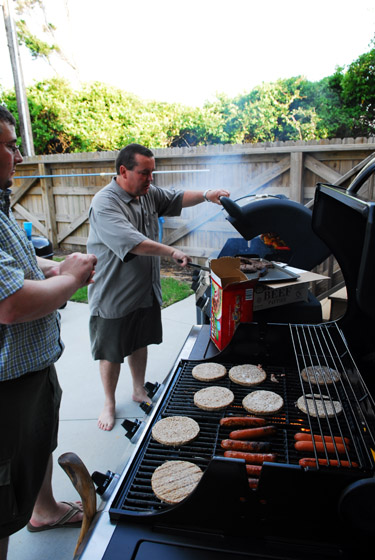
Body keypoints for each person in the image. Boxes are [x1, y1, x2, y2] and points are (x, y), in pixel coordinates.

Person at [0, 106, 97, 560]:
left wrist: (55, 268)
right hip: (5, 387)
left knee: (42, 439)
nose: (18, 155)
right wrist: (71, 281)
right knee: (0, 498)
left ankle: (43, 510)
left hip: (32, 365)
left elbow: (18, 266)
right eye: (8, 145)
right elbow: (11, 304)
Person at [87, 143, 229, 431]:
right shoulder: (105, 203)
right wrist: (171, 251)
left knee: (140, 340)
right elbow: (133, 242)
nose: (151, 180)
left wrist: (205, 195)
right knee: (112, 351)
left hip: (144, 288)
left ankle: (138, 389)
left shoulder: (147, 194)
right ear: (123, 171)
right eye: (145, 173)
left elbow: (177, 198)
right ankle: (109, 402)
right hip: (113, 292)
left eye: (153, 173)